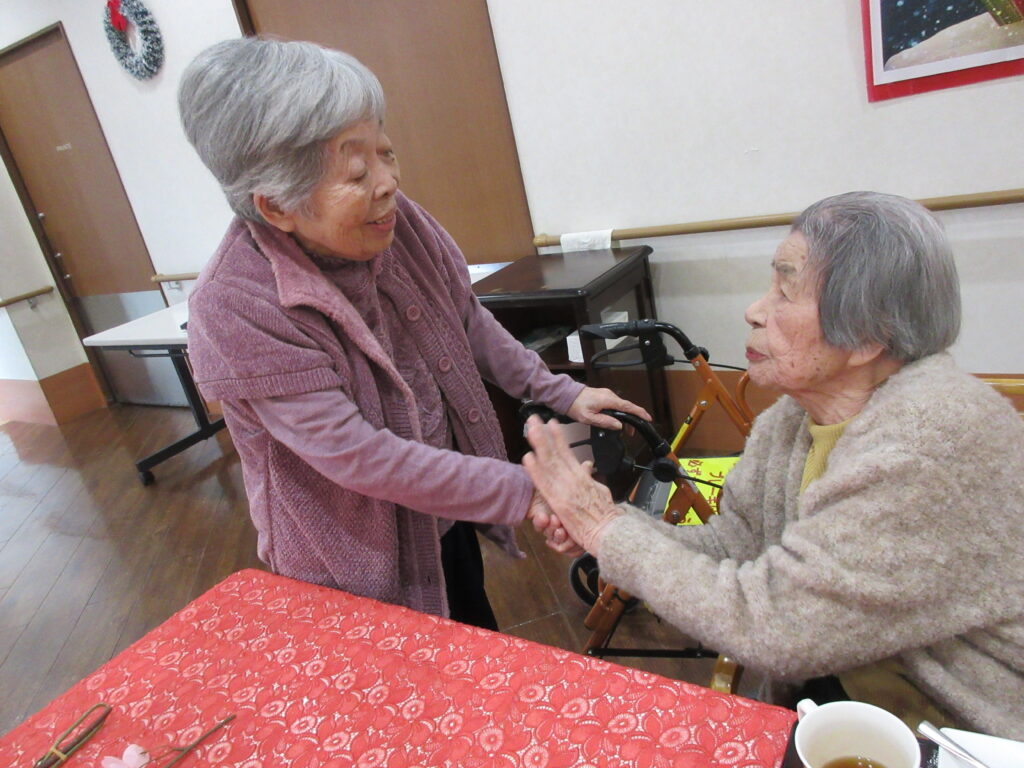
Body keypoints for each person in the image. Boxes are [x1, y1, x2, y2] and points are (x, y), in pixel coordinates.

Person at [177, 38, 647, 630]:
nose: (389, 182)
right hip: (348, 558)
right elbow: (360, 455)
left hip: (438, 508)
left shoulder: (394, 223)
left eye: (386, 151)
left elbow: (465, 319)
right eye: (356, 172)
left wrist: (562, 392)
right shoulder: (235, 306)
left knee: (470, 633)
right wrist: (530, 489)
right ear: (275, 207)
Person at [523, 191, 1024, 738]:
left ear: (868, 335)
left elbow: (778, 625)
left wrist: (606, 530)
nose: (755, 310)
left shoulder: (926, 448)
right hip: (846, 695)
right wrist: (608, 529)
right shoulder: (792, 418)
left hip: (957, 731)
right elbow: (736, 545)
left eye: (785, 291)